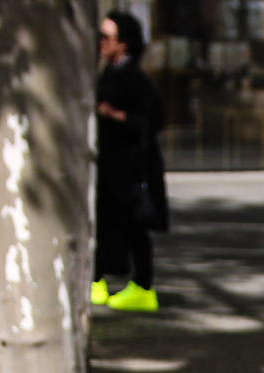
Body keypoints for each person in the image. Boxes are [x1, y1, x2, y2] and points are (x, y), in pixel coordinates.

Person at [94, 12, 168, 314]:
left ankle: (143, 285)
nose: (101, 42)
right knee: (105, 222)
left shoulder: (135, 79)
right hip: (112, 165)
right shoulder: (108, 73)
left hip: (132, 166)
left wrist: (116, 116)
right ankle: (100, 278)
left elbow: (152, 121)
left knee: (135, 226)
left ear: (123, 43)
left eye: (107, 37)